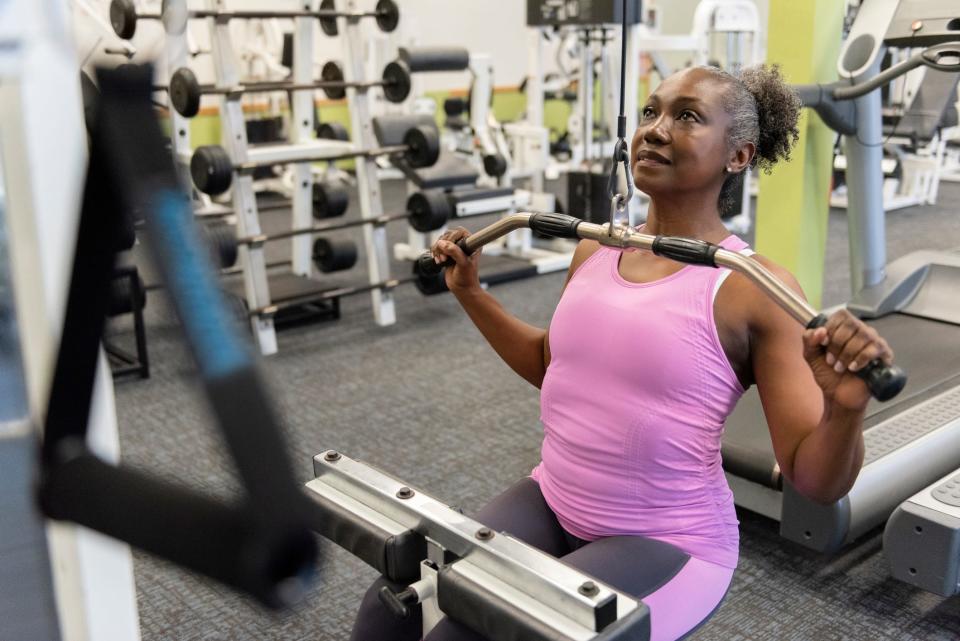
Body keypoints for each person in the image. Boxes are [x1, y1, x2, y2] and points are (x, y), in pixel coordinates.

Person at [349, 64, 895, 641]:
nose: (655, 130)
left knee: (459, 638)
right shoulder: (596, 250)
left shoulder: (750, 288)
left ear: (738, 157)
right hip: (553, 501)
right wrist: (472, 294)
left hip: (669, 544)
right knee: (390, 610)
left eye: (686, 117)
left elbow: (816, 481)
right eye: (650, 113)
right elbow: (550, 363)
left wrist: (846, 409)